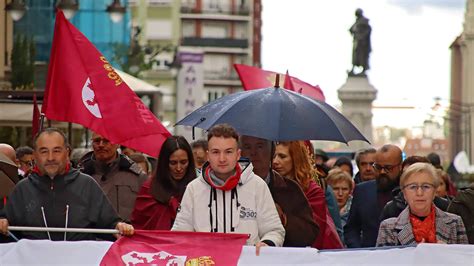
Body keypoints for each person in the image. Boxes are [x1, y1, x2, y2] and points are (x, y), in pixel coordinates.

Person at [0, 128, 134, 241]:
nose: (51, 157)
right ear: (35, 155)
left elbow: (110, 225)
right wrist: (3, 222)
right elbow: (8, 232)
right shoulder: (23, 188)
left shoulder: (87, 185)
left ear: (67, 153)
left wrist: (119, 227)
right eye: (44, 151)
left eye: (57, 150)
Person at [172, 124, 285, 253]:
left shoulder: (257, 186)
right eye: (216, 152)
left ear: (238, 154)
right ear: (208, 155)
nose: (222, 159)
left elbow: (274, 230)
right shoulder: (194, 189)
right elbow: (179, 235)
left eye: (228, 152)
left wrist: (267, 244)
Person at [240, 135, 319, 247]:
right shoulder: (232, 187)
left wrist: (284, 219)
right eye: (247, 147)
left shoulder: (290, 189)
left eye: (260, 146)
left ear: (272, 151)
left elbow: (310, 234)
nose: (253, 152)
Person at [376, 163, 468, 246]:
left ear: (434, 192)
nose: (419, 193)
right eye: (413, 187)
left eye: (426, 187)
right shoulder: (388, 227)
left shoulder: (455, 223)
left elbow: (464, 261)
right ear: (404, 193)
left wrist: (446, 255)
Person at [273, 141, 343, 249]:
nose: (275, 161)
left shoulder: (312, 191)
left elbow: (315, 233)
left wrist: (284, 219)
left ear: (296, 159)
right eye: (274, 156)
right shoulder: (269, 185)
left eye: (282, 157)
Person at [131, 136, 196, 230]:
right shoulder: (149, 188)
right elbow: (139, 225)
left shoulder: (196, 188)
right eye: (173, 163)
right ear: (164, 163)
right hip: (154, 243)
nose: (178, 168)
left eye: (183, 162)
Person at [344, 144, 402, 248]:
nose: (382, 172)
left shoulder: (409, 191)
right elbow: (351, 228)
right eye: (378, 167)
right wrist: (359, 251)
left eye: (388, 168)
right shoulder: (362, 190)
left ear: (400, 166)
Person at [80, 132, 147, 221]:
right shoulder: (80, 175)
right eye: (97, 141)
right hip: (89, 233)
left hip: (125, 233)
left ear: (118, 144)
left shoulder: (137, 176)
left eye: (106, 141)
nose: (101, 145)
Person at [380, 156, 449, 222]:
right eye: (413, 186)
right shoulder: (390, 211)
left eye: (425, 186)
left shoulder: (447, 210)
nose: (419, 192)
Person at [349, 8, 372, 75]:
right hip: (357, 41)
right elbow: (351, 29)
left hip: (363, 43)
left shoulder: (364, 21)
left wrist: (361, 36)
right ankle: (353, 69)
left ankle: (363, 70)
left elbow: (368, 30)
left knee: (362, 56)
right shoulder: (357, 21)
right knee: (355, 56)